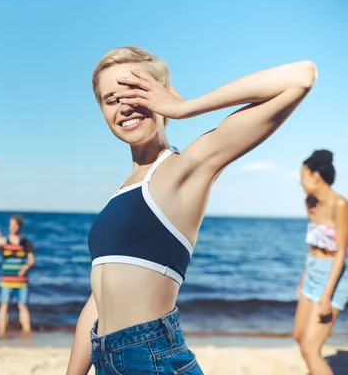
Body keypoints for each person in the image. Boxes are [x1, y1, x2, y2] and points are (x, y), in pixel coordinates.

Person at [65, 46, 317, 374]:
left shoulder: (186, 168)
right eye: (111, 99)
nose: (125, 105)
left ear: (163, 95)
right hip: (108, 358)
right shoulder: (122, 191)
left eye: (137, 91)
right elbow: (99, 298)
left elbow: (301, 76)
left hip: (151, 358)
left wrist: (185, 107)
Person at [293, 149, 347, 375]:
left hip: (333, 276)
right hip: (313, 271)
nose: (300, 182)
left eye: (303, 177)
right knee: (299, 336)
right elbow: (313, 246)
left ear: (316, 176)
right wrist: (303, 280)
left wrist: (327, 296)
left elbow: (341, 253)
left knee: (310, 349)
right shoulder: (310, 203)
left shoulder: (340, 205)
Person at [0, 215, 36, 336]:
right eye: (11, 224)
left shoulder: (26, 242)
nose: (13, 227)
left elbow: (32, 260)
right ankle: (2, 332)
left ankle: (27, 331)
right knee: (4, 306)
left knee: (23, 306)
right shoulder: (4, 241)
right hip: (6, 280)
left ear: (20, 226)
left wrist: (26, 267)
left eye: (15, 225)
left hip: (21, 281)